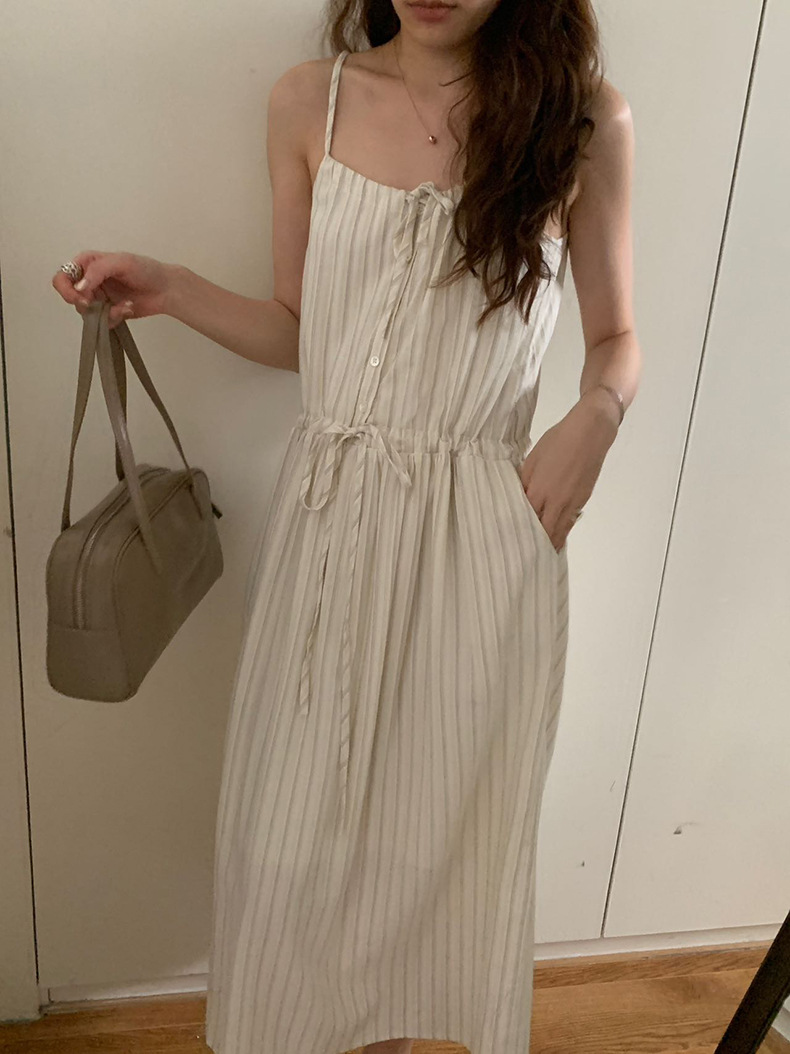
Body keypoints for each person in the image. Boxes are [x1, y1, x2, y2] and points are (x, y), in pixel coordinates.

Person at [52, 2, 640, 1052]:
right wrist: (171, 287)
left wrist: (595, 417)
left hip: (481, 537)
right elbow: (302, 330)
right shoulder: (308, 103)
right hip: (330, 524)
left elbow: (618, 335)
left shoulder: (582, 120)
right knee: (291, 852)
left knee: (434, 859)